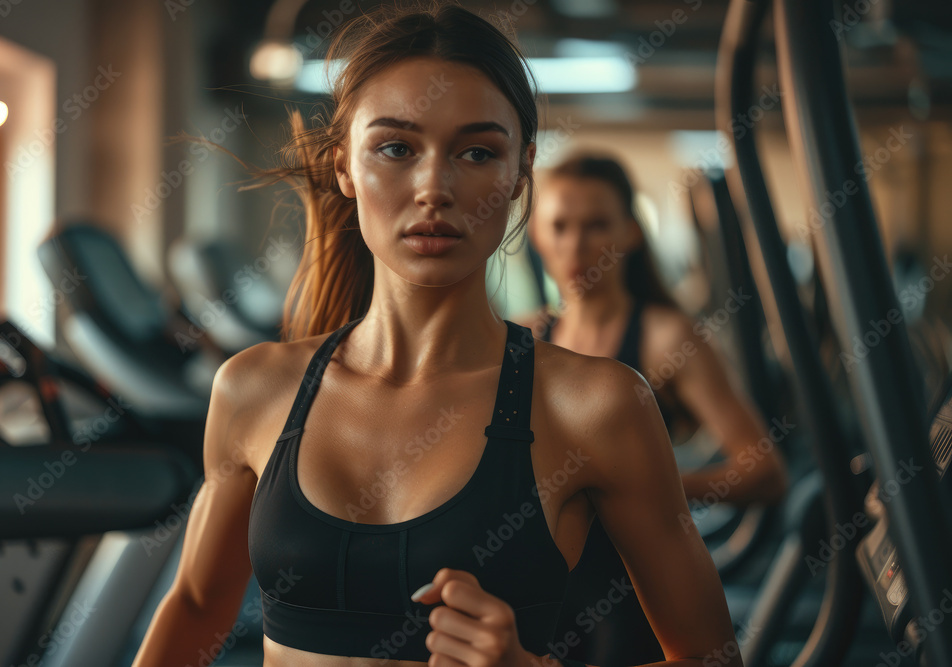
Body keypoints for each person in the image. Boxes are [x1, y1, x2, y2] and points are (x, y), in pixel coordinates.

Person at [132, 4, 743, 666]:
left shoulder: (598, 404)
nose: (434, 187)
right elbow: (194, 609)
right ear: (344, 166)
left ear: (519, 172)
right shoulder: (253, 388)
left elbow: (713, 657)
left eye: (477, 152)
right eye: (396, 148)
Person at [521, 154, 790, 665]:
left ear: (630, 233)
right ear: (536, 234)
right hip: (547, 593)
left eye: (596, 225)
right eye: (559, 226)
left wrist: (652, 490)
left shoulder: (667, 339)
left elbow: (766, 473)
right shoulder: (526, 337)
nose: (575, 246)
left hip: (633, 595)